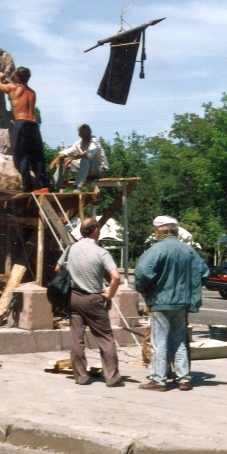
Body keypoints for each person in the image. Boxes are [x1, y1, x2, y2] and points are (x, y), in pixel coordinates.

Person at [134, 215, 210, 391]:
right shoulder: (189, 250)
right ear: (175, 231)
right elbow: (204, 273)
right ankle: (183, 378)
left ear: (158, 230)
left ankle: (158, 380)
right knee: (180, 340)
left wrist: (142, 288)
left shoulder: (155, 250)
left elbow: (142, 273)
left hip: (160, 302)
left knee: (159, 341)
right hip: (182, 304)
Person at [55, 217, 123, 387]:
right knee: (105, 337)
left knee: (76, 338)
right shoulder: (101, 252)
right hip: (93, 298)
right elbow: (116, 276)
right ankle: (112, 378)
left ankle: (80, 377)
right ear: (95, 231)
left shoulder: (71, 249)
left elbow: (58, 268)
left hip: (74, 297)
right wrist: (109, 295)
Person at [0, 66, 49, 193]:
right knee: (38, 156)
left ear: (17, 77)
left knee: (22, 155)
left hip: (22, 123)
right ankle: (43, 185)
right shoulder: (32, 93)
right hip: (34, 124)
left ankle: (27, 187)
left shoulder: (14, 88)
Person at [50, 124, 109, 192]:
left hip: (99, 170)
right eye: (83, 135)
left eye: (87, 134)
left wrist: (71, 159)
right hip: (87, 172)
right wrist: (57, 158)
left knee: (84, 159)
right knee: (64, 160)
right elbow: (68, 151)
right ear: (80, 135)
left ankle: (77, 188)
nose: (86, 136)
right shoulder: (79, 143)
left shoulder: (95, 141)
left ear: (90, 132)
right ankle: (55, 187)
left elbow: (88, 154)